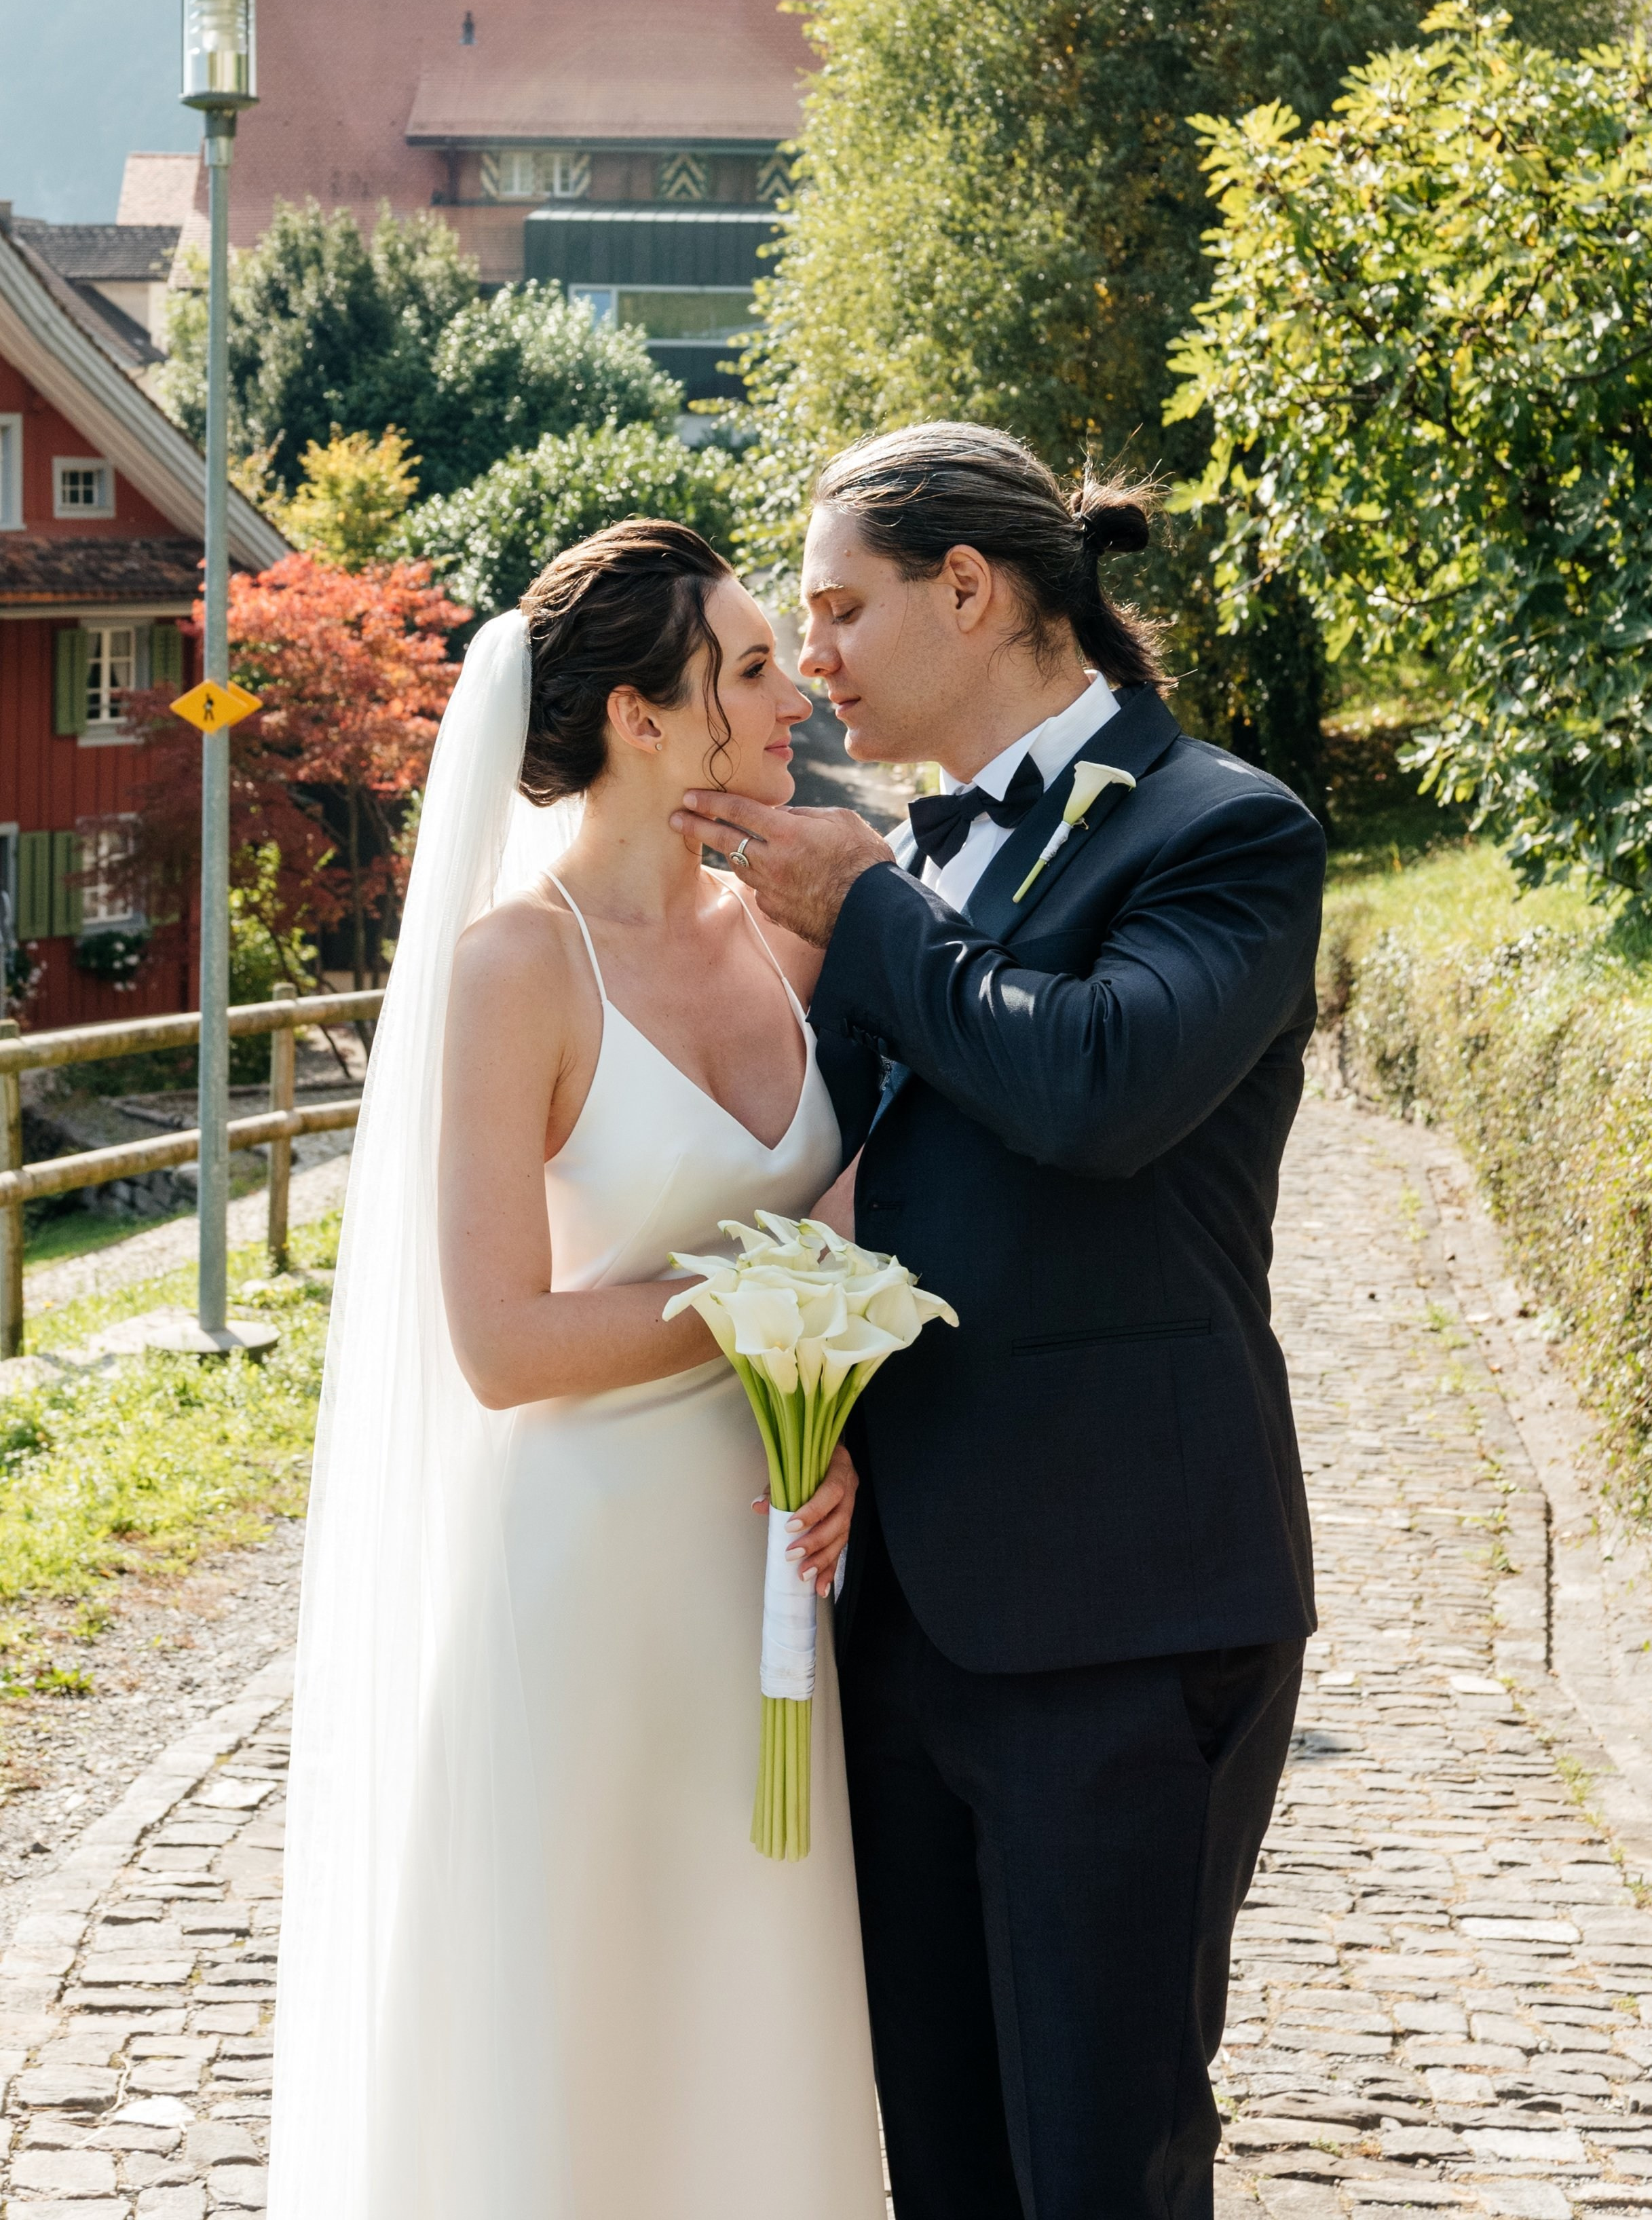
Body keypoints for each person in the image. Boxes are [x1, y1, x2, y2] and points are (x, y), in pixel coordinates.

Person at [671, 423, 1327, 2220]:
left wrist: (868, 908)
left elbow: (1095, 1084)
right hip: (902, 1611)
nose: (811, 661)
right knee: (935, 2154)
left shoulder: (1228, 830)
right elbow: (856, 1170)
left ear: (969, 589)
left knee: (1098, 2162)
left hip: (1129, 1612)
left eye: (837, 610)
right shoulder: (907, 855)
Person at [267, 523, 886, 2220]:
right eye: (750, 669)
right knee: (582, 2035)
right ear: (639, 716)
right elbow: (499, 1342)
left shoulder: (790, 927)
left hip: (767, 1563)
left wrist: (830, 1411)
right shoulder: (514, 970)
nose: (791, 695)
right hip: (583, 1577)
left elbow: (851, 1201)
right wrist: (769, 1298)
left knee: (749, 2018)